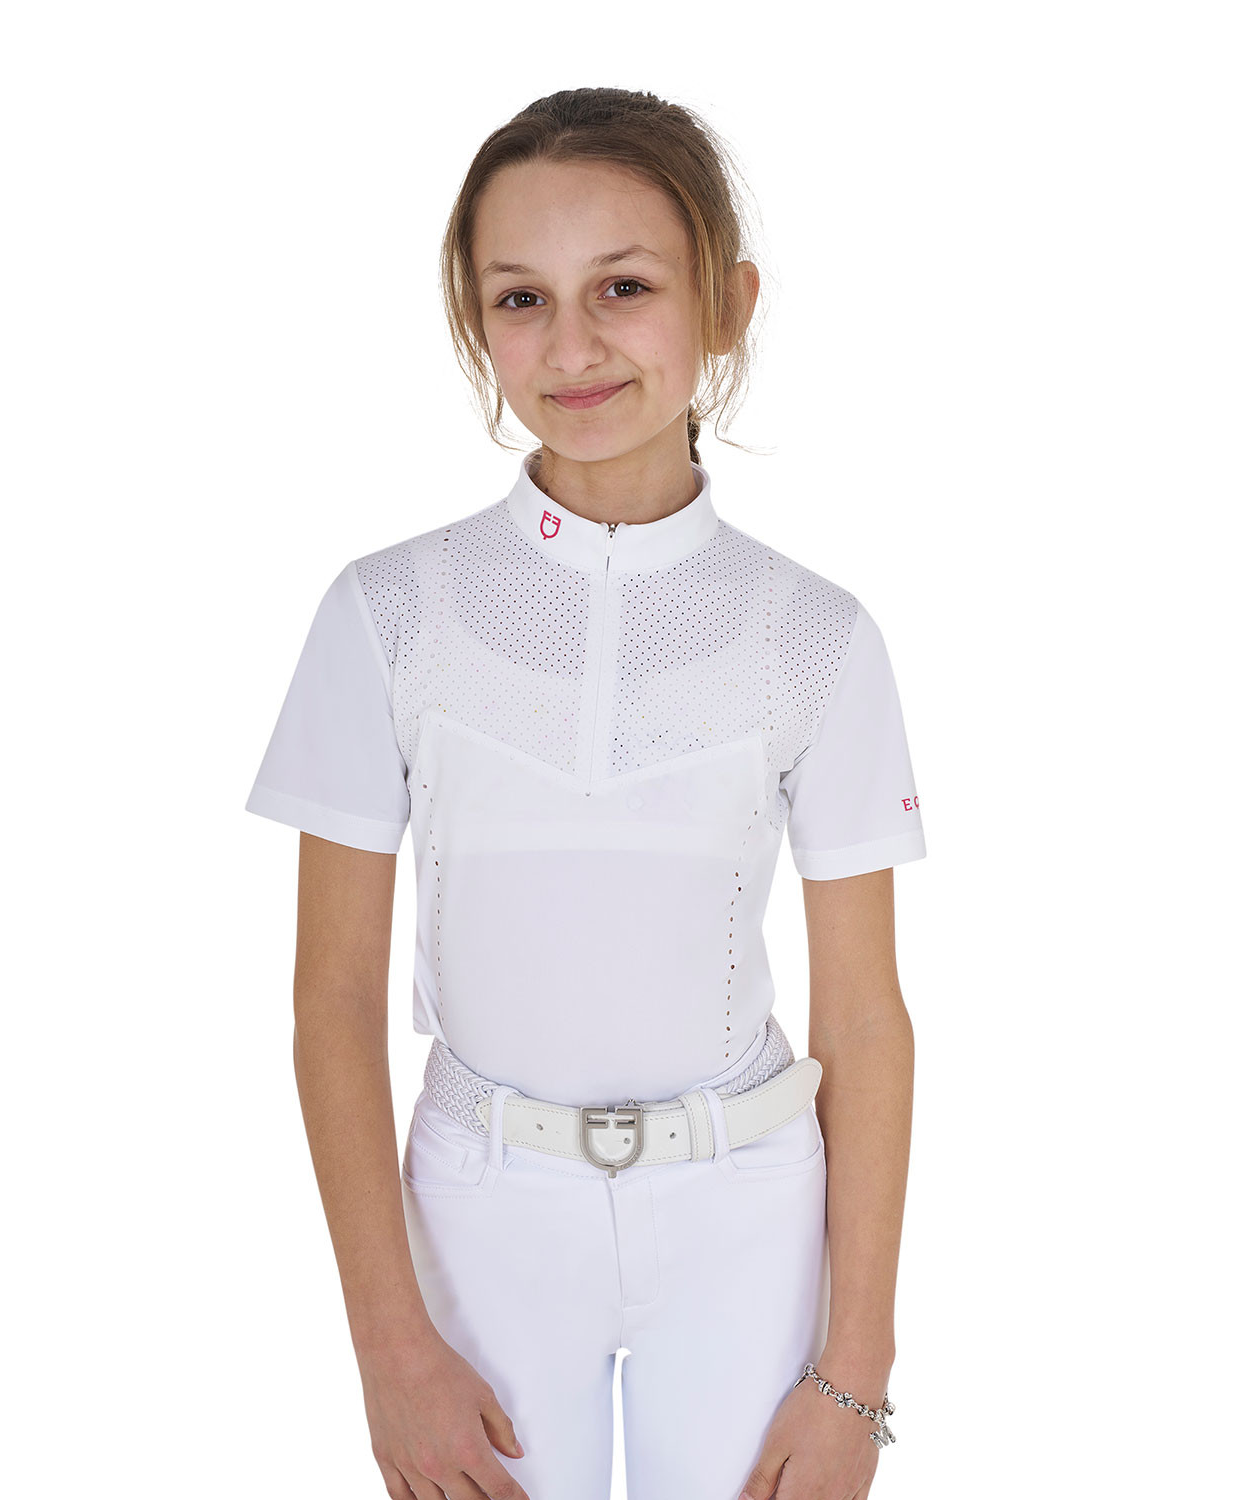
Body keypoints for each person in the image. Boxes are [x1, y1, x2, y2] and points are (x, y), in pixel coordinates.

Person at [245, 86, 925, 1500]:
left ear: (726, 303)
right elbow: (330, 1002)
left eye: (624, 287)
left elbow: (865, 1015)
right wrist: (390, 1351)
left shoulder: (817, 635)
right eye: (520, 299)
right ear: (474, 322)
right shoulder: (391, 613)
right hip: (482, 1212)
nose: (571, 346)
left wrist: (855, 1372)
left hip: (747, 1215)